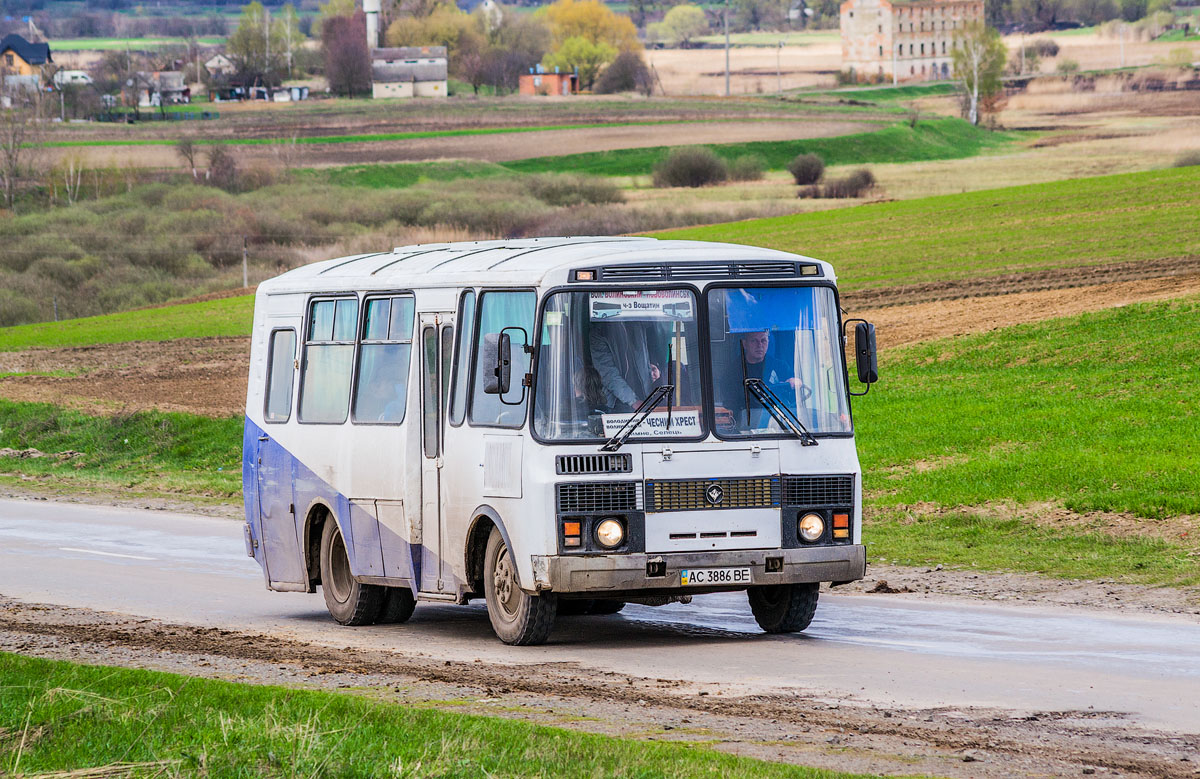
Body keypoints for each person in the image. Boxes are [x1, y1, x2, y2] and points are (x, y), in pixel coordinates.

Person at [718, 330, 806, 430]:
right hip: (745, 426)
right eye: (754, 341)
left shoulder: (780, 366)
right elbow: (730, 405)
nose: (759, 345)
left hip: (778, 424)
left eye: (763, 340)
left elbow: (795, 389)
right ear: (745, 344)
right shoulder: (732, 372)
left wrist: (794, 381)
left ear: (768, 342)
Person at [589, 322, 662, 411]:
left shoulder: (637, 322)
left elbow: (649, 351)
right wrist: (633, 401)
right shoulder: (598, 332)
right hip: (617, 404)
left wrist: (652, 368)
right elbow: (608, 374)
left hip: (646, 397)